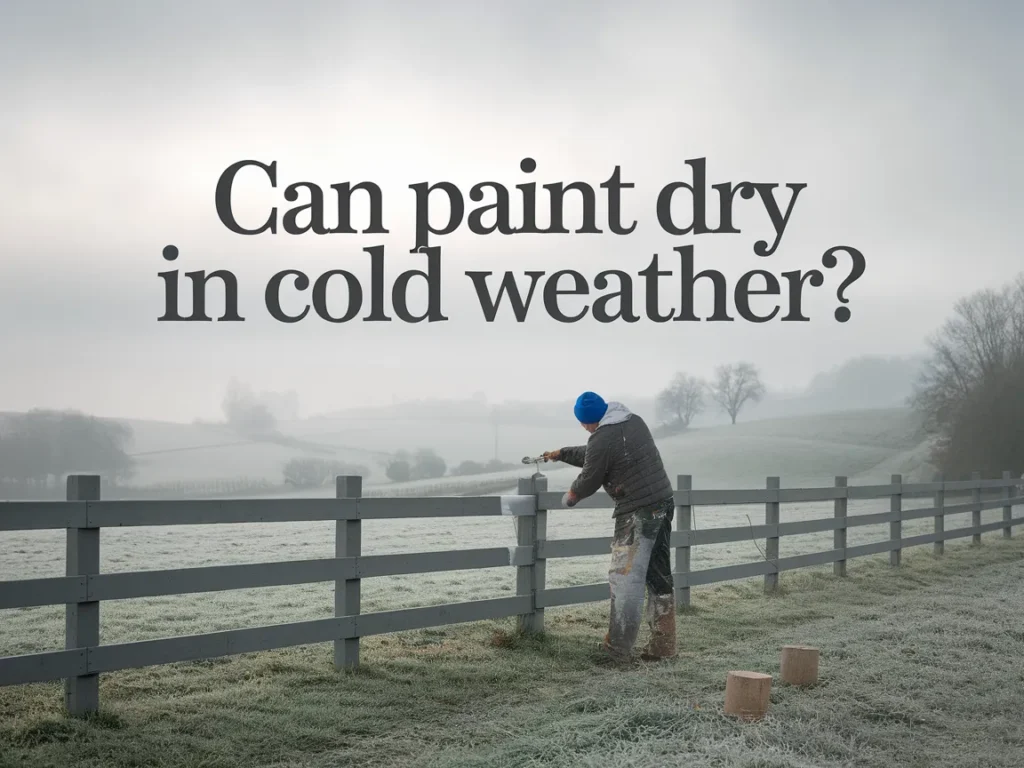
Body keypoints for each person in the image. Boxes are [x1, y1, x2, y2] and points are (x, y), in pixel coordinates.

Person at [541, 391, 677, 663]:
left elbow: (591, 474)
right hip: (662, 502)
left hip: (637, 511)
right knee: (657, 574)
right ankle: (664, 647)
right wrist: (562, 454)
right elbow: (597, 453)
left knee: (624, 576)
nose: (585, 427)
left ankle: (617, 651)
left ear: (591, 420)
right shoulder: (632, 421)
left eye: (584, 423)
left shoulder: (602, 436)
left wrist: (572, 496)